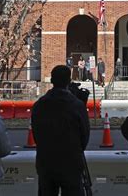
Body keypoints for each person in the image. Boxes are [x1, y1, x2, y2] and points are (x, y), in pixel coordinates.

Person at [32, 65, 90, 196]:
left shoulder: (39, 105)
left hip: (46, 161)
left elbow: (36, 134)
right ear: (68, 81)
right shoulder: (76, 105)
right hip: (71, 161)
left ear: (52, 81)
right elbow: (84, 136)